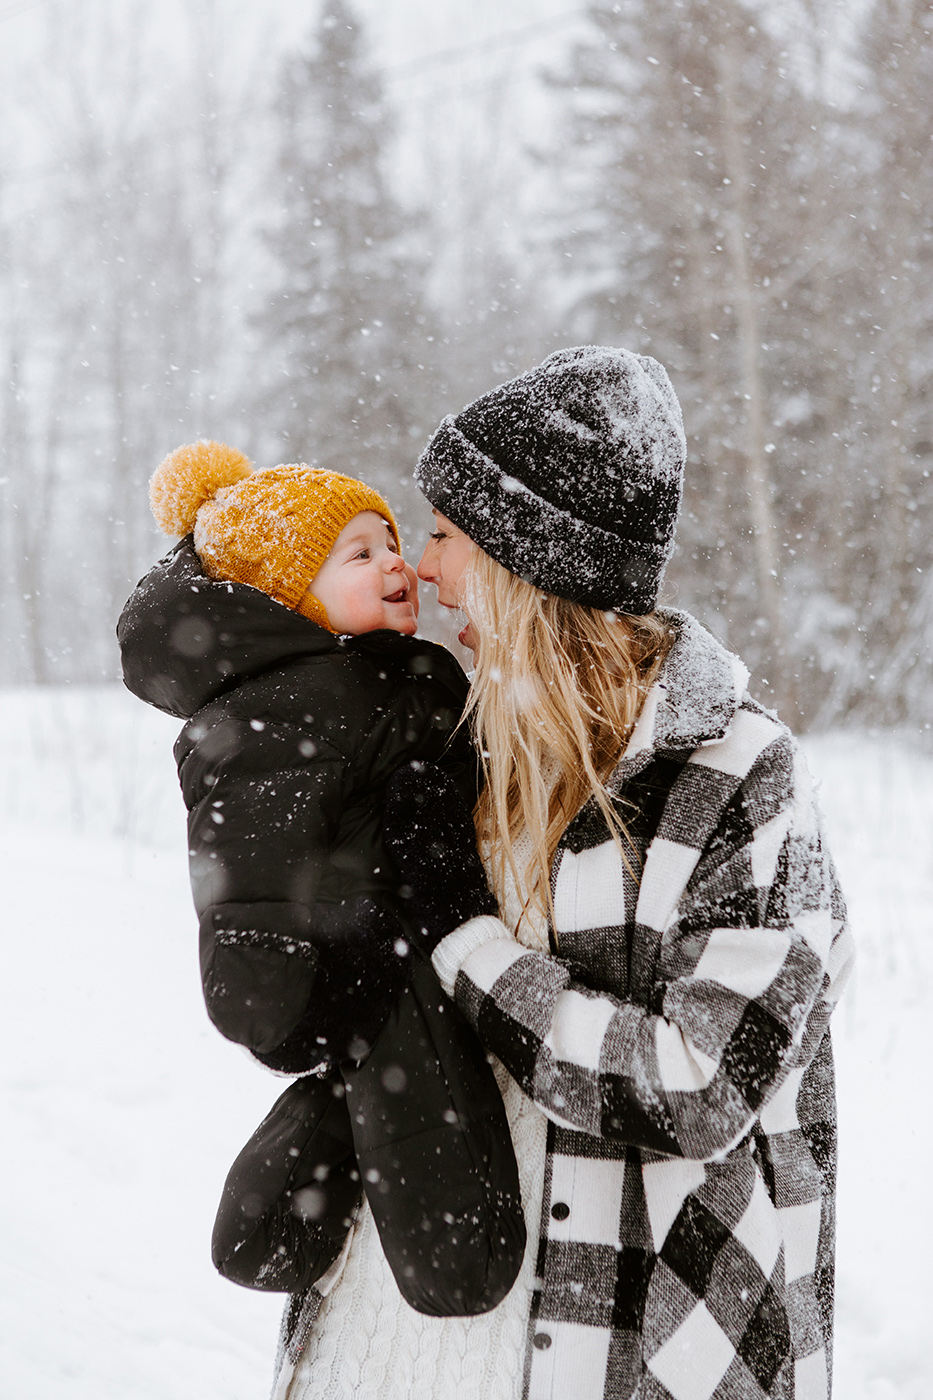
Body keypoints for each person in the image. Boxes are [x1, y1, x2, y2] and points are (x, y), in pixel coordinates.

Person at [279, 346, 853, 1400]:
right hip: (400, 1327)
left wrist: (468, 942)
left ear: (524, 559)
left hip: (636, 1344)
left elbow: (699, 1083)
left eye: (446, 535)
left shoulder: (736, 774)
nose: (427, 568)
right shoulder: (458, 744)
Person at [116, 441, 524, 1321]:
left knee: (392, 1100)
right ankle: (422, 1265)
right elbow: (252, 868)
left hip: (418, 942)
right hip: (372, 962)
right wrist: (289, 973)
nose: (398, 565)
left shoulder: (384, 676)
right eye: (360, 553)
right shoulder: (290, 706)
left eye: (392, 541)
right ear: (296, 593)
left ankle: (288, 1221)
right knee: (423, 1116)